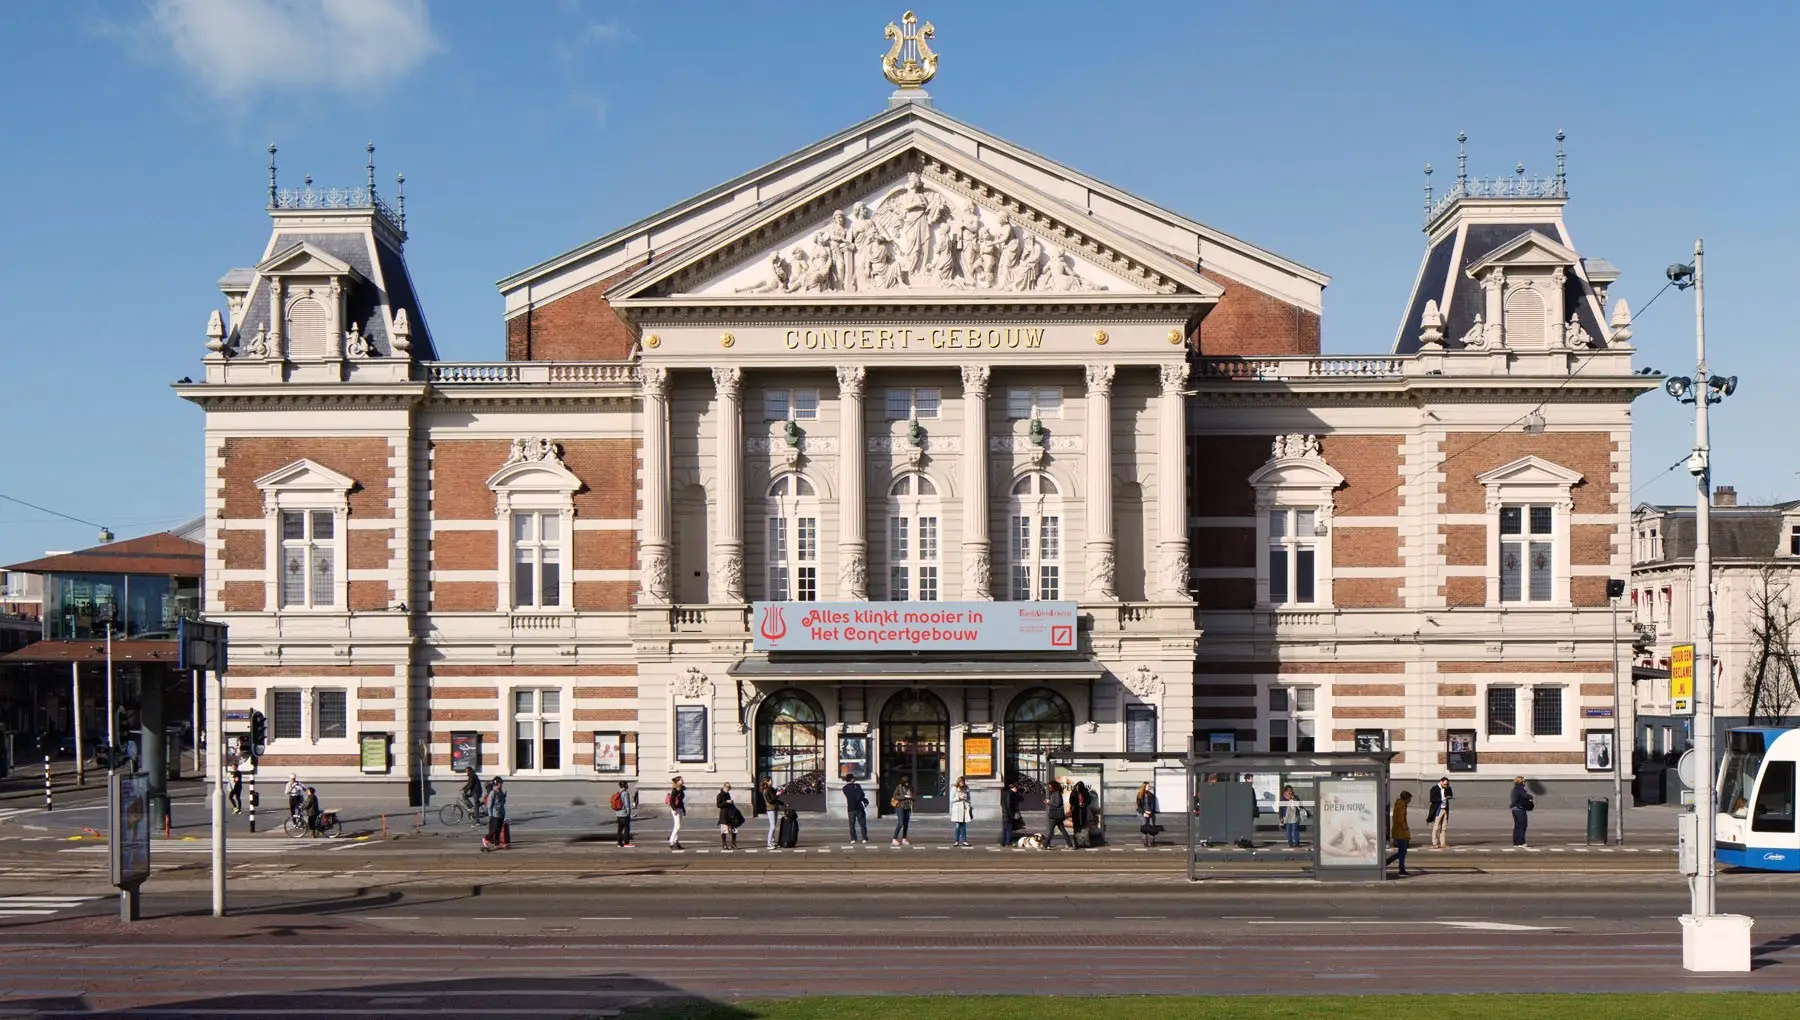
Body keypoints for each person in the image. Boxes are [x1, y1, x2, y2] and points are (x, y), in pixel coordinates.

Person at [1386, 790, 1413, 876]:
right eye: (1409, 799)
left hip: (1399, 831)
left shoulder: (1400, 804)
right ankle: (1387, 862)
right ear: (1406, 798)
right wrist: (1405, 828)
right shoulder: (1401, 806)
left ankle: (1401, 869)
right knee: (1402, 852)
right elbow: (1401, 820)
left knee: (1402, 852)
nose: (1410, 800)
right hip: (1401, 832)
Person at [1427, 777, 1454, 849]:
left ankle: (1443, 843)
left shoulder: (1446, 788)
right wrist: (1441, 799)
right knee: (1436, 827)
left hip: (1445, 809)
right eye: (1445, 784)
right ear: (1441, 782)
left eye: (1447, 784)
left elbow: (1451, 795)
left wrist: (1448, 787)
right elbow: (1432, 799)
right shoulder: (1434, 788)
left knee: (1444, 827)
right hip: (1438, 809)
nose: (1446, 785)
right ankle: (1435, 843)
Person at [843, 774, 870, 844]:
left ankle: (853, 838)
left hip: (850, 808)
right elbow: (862, 795)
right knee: (862, 823)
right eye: (853, 778)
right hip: (859, 807)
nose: (854, 779)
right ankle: (864, 838)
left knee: (852, 824)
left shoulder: (845, 788)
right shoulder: (857, 786)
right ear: (851, 779)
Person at [482, 777, 507, 851]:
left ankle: (497, 843)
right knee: (494, 828)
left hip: (501, 813)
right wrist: (490, 815)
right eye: (500, 783)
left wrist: (504, 796)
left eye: (501, 783)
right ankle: (486, 838)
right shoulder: (493, 793)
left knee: (499, 829)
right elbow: (489, 805)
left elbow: (502, 802)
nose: (501, 784)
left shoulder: (500, 791)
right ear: (496, 783)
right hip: (495, 814)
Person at [1046, 780, 1073, 848]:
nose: (1049, 788)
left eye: (1050, 787)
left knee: (1051, 831)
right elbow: (1056, 804)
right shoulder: (1055, 793)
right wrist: (1049, 803)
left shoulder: (1057, 793)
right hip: (1057, 815)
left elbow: (1057, 804)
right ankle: (1070, 844)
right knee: (1063, 830)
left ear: (1054, 787)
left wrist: (1049, 802)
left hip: (1055, 816)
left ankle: (1045, 844)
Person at [1510, 776, 1534, 848]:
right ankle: (1521, 842)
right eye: (1524, 781)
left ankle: (1516, 842)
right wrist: (1530, 797)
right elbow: (1525, 796)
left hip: (1514, 809)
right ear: (1521, 782)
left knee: (1517, 826)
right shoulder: (1520, 788)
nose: (1525, 783)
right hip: (1519, 809)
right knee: (1522, 825)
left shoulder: (1515, 789)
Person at [717, 782, 741, 851]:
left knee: (734, 829)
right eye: (727, 787)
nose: (728, 789)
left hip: (731, 815)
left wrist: (731, 802)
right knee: (724, 830)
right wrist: (726, 802)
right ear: (724, 787)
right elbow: (718, 805)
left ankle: (733, 844)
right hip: (724, 815)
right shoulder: (720, 795)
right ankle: (724, 844)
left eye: (729, 788)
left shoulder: (728, 794)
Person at [950, 777, 973, 847]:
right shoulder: (954, 788)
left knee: (963, 826)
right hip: (957, 809)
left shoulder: (966, 788)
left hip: (964, 808)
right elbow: (951, 799)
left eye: (963, 782)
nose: (962, 783)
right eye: (961, 782)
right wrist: (959, 798)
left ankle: (964, 841)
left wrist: (968, 803)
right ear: (959, 782)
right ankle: (956, 841)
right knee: (957, 826)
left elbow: (969, 798)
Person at [890, 778, 914, 847]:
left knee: (906, 824)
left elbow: (911, 796)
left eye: (908, 782)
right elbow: (895, 796)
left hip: (907, 807)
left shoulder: (909, 788)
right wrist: (904, 796)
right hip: (900, 807)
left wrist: (912, 798)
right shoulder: (899, 787)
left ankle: (904, 839)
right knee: (900, 823)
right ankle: (894, 839)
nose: (907, 784)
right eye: (906, 782)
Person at [611, 780, 635, 847]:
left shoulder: (618, 792)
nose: (628, 785)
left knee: (619, 829)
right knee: (627, 828)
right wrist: (628, 813)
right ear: (625, 785)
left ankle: (619, 843)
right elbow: (627, 804)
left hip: (618, 813)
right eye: (627, 784)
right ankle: (626, 843)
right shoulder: (625, 793)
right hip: (624, 814)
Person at [666, 776, 687, 851]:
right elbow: (672, 800)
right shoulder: (675, 790)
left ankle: (676, 841)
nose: (683, 780)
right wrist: (674, 809)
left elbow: (681, 801)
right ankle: (671, 842)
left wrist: (683, 810)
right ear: (677, 781)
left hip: (680, 808)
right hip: (676, 809)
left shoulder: (681, 789)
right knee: (677, 826)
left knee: (678, 826)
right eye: (681, 780)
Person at [1136, 781, 1159, 847]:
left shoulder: (1151, 795)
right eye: (1148, 786)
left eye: (1149, 786)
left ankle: (1151, 841)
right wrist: (1143, 812)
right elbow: (1139, 805)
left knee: (1152, 826)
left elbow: (1153, 805)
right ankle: (1145, 841)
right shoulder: (1139, 795)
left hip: (1150, 813)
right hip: (1143, 813)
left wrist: (1150, 812)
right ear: (1144, 787)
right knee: (1144, 827)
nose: (1149, 787)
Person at [1001, 780, 1022, 849]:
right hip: (1008, 814)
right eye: (1015, 788)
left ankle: (1003, 842)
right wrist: (1011, 814)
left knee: (1005, 828)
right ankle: (1007, 842)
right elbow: (1008, 804)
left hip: (1005, 813)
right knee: (1009, 828)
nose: (1016, 789)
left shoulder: (1005, 793)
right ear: (1012, 788)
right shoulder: (1010, 794)